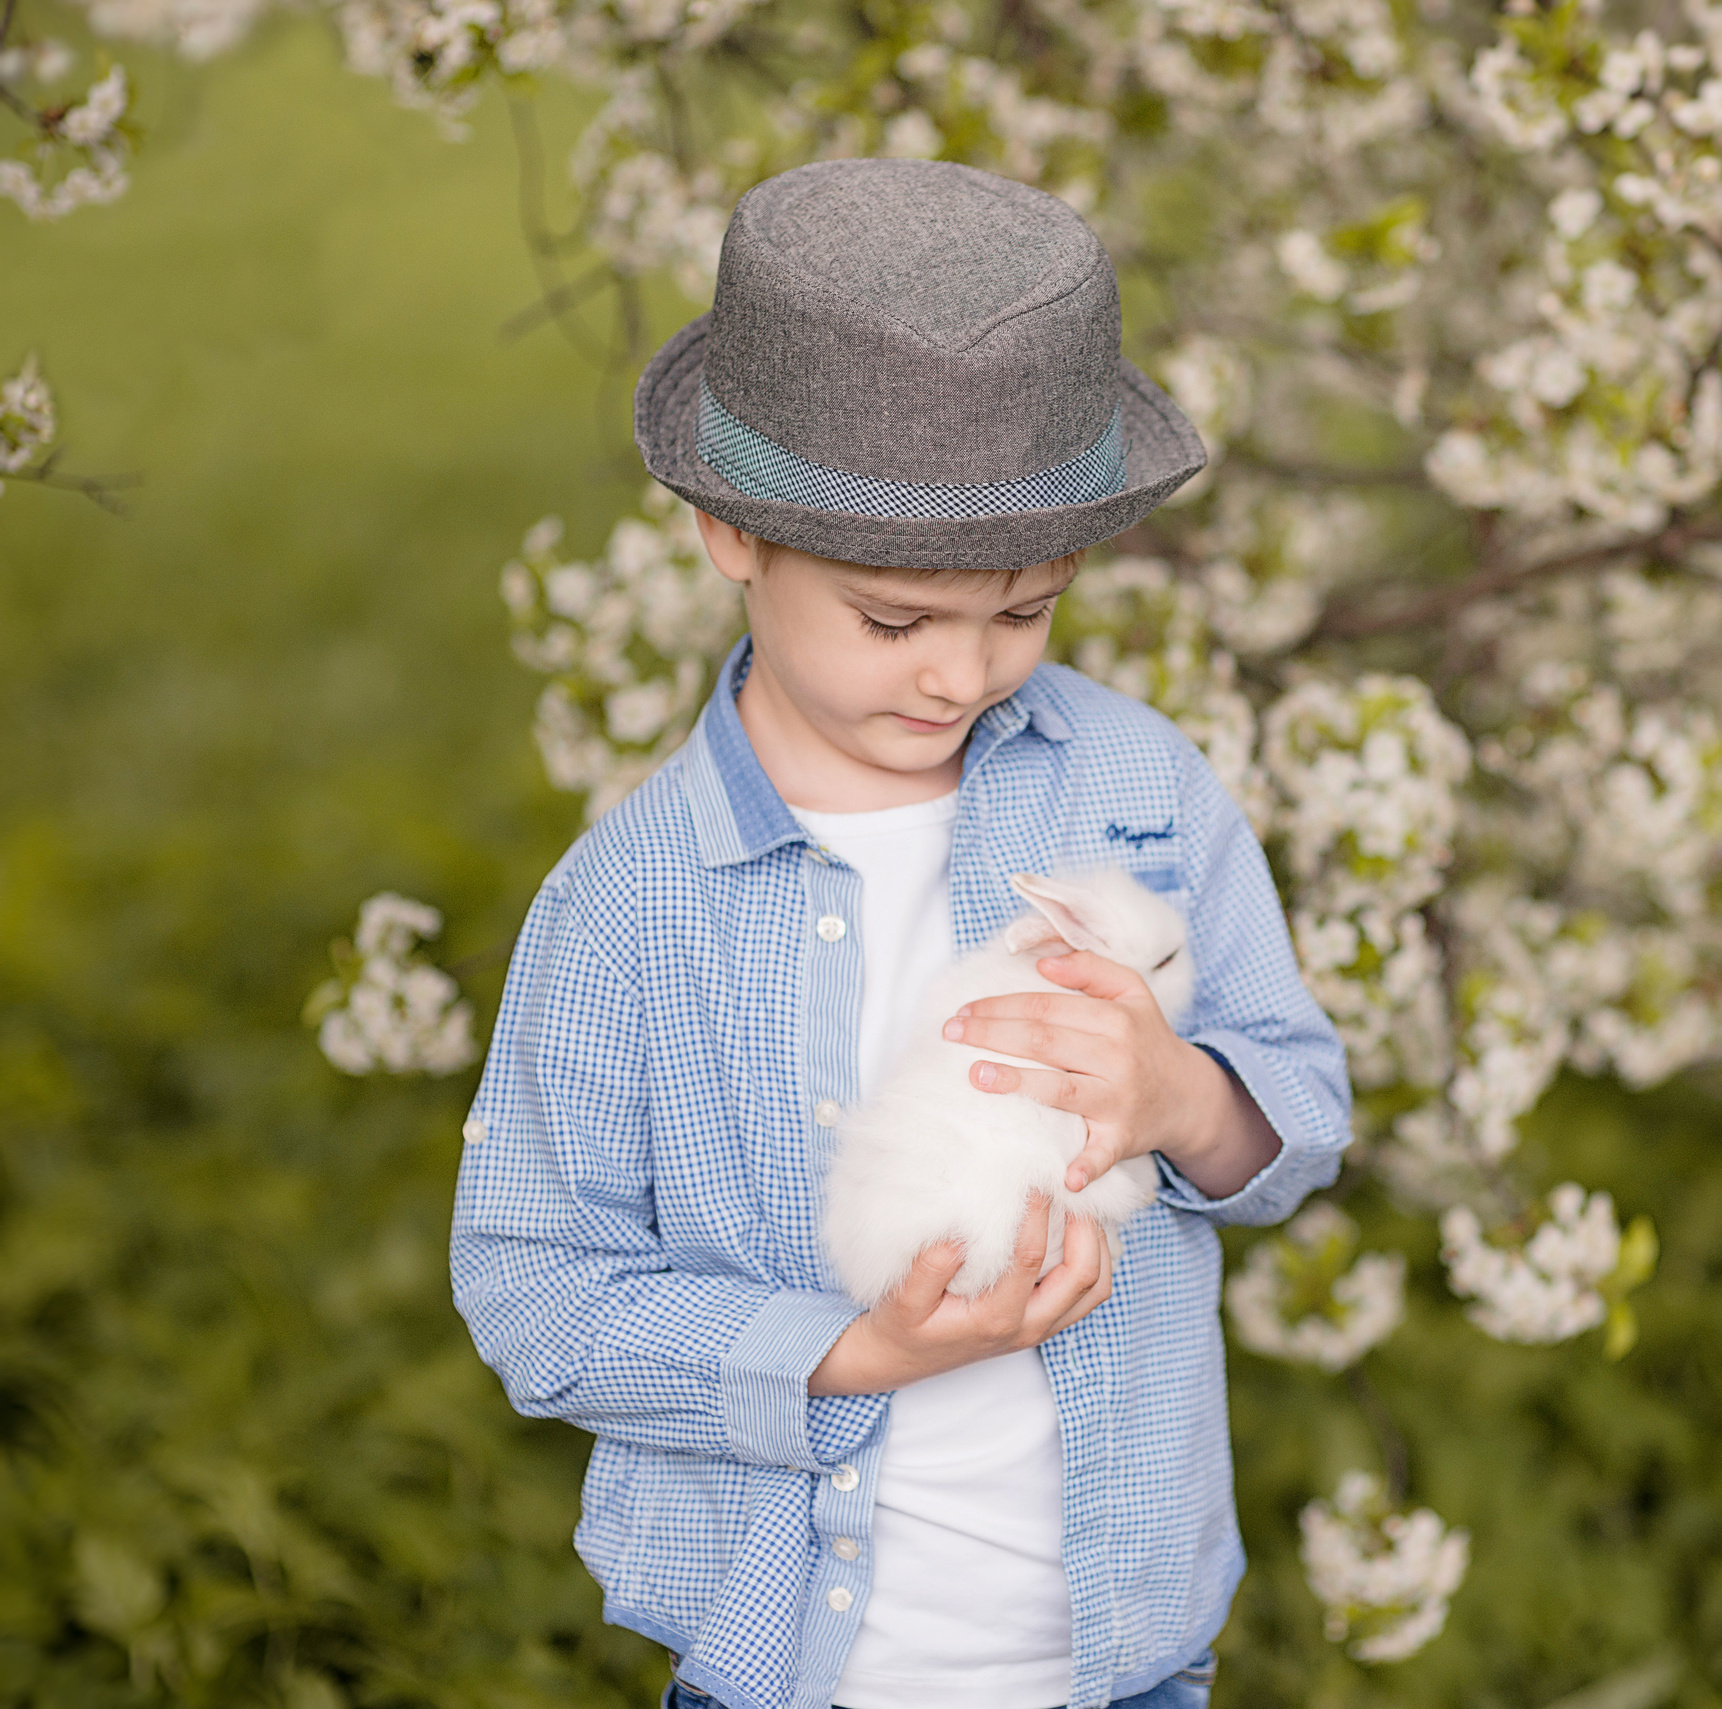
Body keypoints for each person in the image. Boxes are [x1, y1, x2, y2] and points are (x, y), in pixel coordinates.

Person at [450, 158, 1352, 1709]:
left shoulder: (1137, 789)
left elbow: (1303, 1112)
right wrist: (850, 1354)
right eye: (894, 620)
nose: (960, 676)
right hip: (797, 1667)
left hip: (1120, 1660)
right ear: (733, 532)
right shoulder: (629, 909)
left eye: (1025, 611)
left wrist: (1182, 1096)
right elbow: (544, 1291)